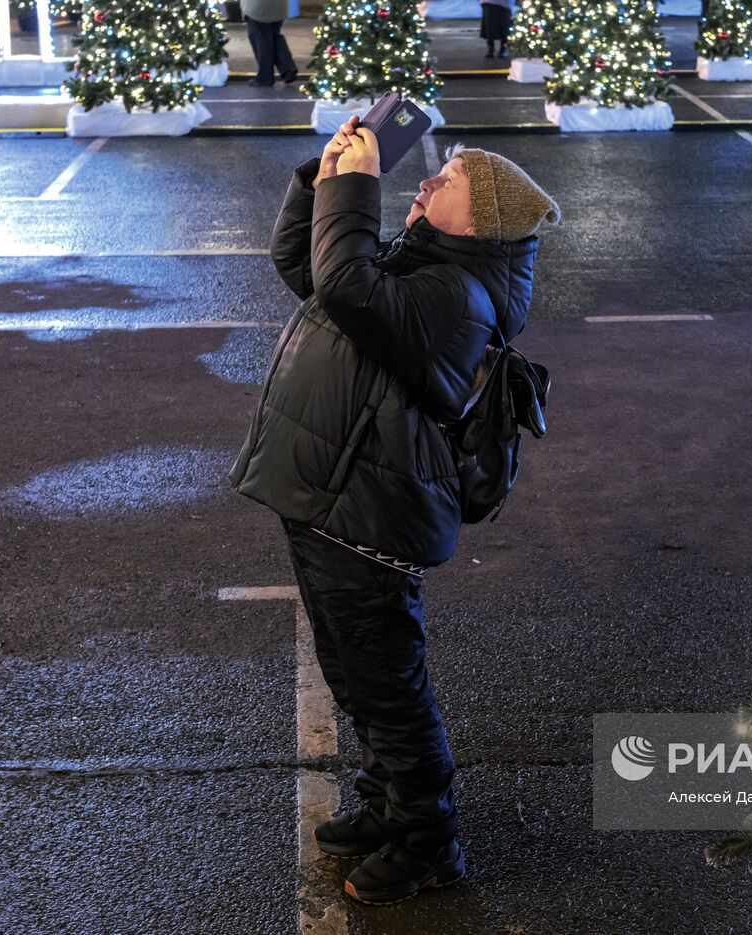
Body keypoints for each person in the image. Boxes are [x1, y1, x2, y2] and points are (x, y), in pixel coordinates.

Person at [229, 118, 560, 905]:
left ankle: (427, 840)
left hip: (367, 519)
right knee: (355, 675)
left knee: (388, 686)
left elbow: (345, 284)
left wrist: (359, 189)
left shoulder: (461, 297)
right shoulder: (426, 262)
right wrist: (325, 179)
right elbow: (307, 267)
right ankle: (387, 805)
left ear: (476, 219)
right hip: (333, 500)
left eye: (441, 183)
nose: (424, 184)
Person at [242, 0, 298, 87]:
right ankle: (287, 68)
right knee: (274, 37)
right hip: (280, 6)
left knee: (261, 42)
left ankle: (265, 78)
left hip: (258, 8)